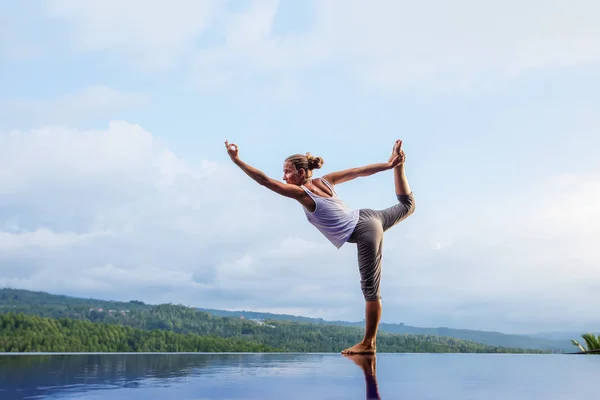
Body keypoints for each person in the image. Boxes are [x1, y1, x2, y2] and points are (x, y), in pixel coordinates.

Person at [224, 139, 415, 354]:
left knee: (370, 290)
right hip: (370, 217)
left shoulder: (302, 194)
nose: (284, 177)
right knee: (408, 206)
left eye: (287, 172)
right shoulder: (326, 181)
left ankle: (368, 344)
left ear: (301, 172)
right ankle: (400, 165)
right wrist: (390, 165)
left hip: (363, 230)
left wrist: (237, 160)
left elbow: (263, 181)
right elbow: (358, 171)